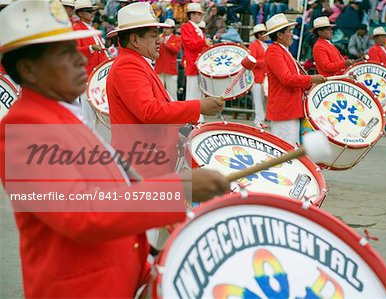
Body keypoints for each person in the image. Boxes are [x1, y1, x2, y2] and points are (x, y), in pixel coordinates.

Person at [0, 0, 229, 298]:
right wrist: (180, 188)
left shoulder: (62, 114)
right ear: (29, 70)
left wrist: (151, 265)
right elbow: (82, 215)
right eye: (65, 54)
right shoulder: (21, 131)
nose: (81, 61)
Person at [106, 2, 224, 177]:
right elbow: (150, 111)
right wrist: (199, 107)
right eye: (154, 35)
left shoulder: (135, 62)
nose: (159, 40)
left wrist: (180, 132)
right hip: (142, 166)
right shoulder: (128, 66)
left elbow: (154, 111)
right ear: (135, 40)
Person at [264, 13, 326, 146]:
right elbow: (286, 79)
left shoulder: (283, 50)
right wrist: (311, 79)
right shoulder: (274, 51)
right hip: (284, 109)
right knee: (286, 150)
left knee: (292, 148)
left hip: (291, 108)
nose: (292, 34)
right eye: (289, 31)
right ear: (279, 35)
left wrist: (309, 84)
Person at [181, 2, 212, 123]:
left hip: (200, 64)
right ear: (192, 15)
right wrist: (204, 43)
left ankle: (198, 116)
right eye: (198, 14)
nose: (200, 17)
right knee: (192, 92)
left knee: (199, 92)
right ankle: (190, 117)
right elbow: (189, 44)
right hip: (193, 63)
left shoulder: (197, 28)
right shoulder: (186, 27)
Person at [72, 0, 108, 76]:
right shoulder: (76, 29)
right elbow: (74, 52)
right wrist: (91, 48)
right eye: (88, 11)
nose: (92, 13)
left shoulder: (93, 28)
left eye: (92, 11)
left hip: (99, 71)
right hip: (88, 72)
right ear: (80, 13)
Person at [155, 18, 181, 101]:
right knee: (158, 92)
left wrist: (165, 43)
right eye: (164, 28)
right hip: (159, 68)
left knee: (172, 91)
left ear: (172, 29)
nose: (165, 30)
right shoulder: (158, 38)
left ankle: (174, 110)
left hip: (170, 69)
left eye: (167, 28)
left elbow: (176, 50)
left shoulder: (177, 38)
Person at [249, 24, 268, 127]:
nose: (265, 35)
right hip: (257, 77)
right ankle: (258, 120)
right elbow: (253, 60)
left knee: (263, 100)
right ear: (258, 35)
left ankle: (262, 120)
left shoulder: (265, 45)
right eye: (263, 33)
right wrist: (266, 62)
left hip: (264, 78)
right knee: (258, 101)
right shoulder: (254, 45)